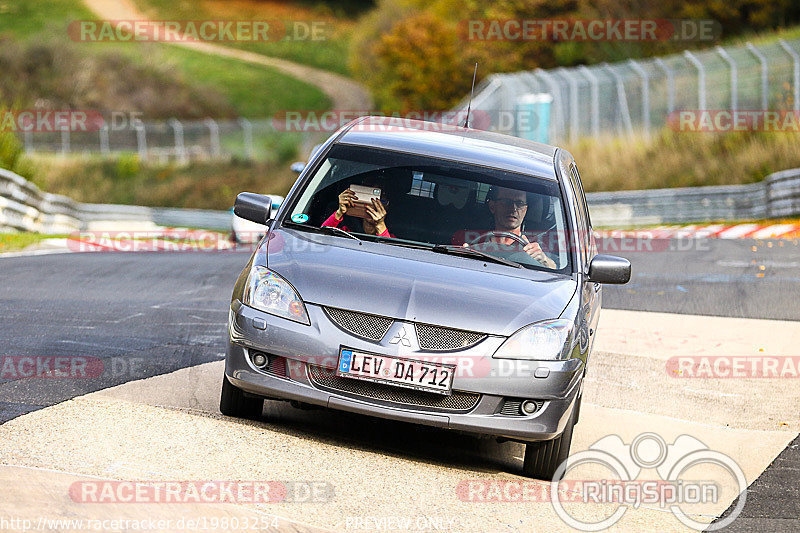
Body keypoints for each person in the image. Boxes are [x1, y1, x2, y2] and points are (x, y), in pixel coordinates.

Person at [473, 186, 556, 268]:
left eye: (519, 203)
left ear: (525, 210)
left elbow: (557, 270)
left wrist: (545, 261)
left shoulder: (536, 246)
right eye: (506, 202)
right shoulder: (475, 240)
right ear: (492, 206)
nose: (513, 208)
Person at [321, 186, 395, 238]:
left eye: (382, 201)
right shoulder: (346, 232)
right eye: (370, 199)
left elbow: (389, 254)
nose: (374, 205)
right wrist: (339, 212)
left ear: (387, 207)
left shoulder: (392, 239)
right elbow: (321, 237)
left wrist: (380, 225)